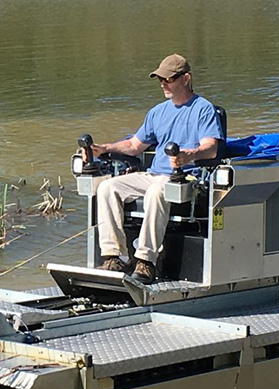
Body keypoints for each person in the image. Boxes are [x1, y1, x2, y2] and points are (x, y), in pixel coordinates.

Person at [87, 54, 224, 285]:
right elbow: (134, 145)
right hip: (154, 175)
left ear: (186, 78)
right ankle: (114, 257)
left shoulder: (204, 109)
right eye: (160, 79)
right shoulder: (157, 112)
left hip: (187, 178)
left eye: (168, 79)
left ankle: (145, 261)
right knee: (108, 187)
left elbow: (210, 149)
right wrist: (103, 148)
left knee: (156, 191)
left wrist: (188, 155)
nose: (163, 84)